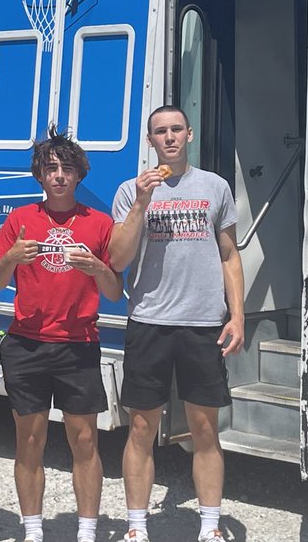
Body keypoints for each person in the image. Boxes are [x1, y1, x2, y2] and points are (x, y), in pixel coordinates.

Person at [109, 106, 246, 542]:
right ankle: (136, 526)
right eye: (159, 132)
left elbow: (229, 255)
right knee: (142, 427)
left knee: (204, 428)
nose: (168, 138)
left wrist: (238, 315)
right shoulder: (131, 190)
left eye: (175, 130)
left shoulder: (215, 187)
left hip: (203, 323)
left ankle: (209, 526)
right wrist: (142, 204)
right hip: (149, 320)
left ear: (189, 134)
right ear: (150, 141)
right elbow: (117, 258)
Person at [0, 127, 122, 542]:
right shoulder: (20, 219)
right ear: (40, 176)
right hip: (26, 343)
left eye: (66, 168)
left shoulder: (100, 224)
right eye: (50, 168)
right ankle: (33, 531)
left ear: (79, 174)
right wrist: (11, 256)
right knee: (30, 441)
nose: (59, 175)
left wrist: (98, 268)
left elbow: (116, 291)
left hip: (78, 344)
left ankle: (86, 531)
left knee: (84, 440)